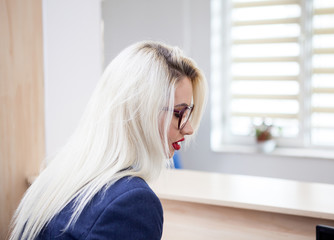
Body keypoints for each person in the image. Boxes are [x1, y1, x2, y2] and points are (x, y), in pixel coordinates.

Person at [9, 41, 207, 240]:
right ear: (140, 112)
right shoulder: (133, 203)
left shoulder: (55, 179)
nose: (188, 128)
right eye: (179, 113)